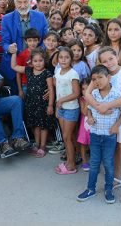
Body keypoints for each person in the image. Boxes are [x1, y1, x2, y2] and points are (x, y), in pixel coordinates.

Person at [84, 47, 121, 203]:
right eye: (104, 61)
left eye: (111, 59)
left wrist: (106, 106)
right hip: (104, 117)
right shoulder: (100, 76)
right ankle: (116, 177)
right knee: (112, 148)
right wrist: (97, 107)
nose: (108, 63)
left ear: (117, 57)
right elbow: (87, 94)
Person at [76, 65, 121, 204]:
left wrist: (117, 126)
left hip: (109, 136)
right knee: (94, 163)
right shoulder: (93, 94)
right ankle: (90, 189)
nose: (97, 81)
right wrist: (90, 117)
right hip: (95, 134)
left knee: (109, 164)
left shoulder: (117, 94)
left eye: (100, 77)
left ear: (109, 77)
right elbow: (89, 110)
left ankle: (108, 189)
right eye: (94, 79)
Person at [11, 48, 54, 158]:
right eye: (35, 61)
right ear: (31, 61)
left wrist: (50, 105)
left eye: (40, 60)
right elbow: (14, 66)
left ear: (45, 61)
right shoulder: (28, 70)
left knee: (43, 126)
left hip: (43, 105)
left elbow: (51, 90)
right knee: (35, 125)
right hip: (31, 104)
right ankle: (36, 144)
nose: (38, 63)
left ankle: (43, 146)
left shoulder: (47, 73)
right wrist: (14, 53)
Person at [0, 0, 48, 82]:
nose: (22, 6)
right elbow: (5, 42)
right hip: (14, 65)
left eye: (25, 2)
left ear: (30, 2)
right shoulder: (6, 19)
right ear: (15, 3)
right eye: (19, 2)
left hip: (37, 65)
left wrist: (36, 56)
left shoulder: (41, 17)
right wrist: (9, 48)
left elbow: (45, 40)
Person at [53, 47, 80, 175]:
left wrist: (61, 100)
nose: (63, 60)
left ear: (71, 59)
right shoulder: (58, 72)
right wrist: (58, 106)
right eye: (61, 57)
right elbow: (57, 90)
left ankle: (71, 165)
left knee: (67, 136)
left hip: (71, 109)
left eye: (66, 57)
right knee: (67, 137)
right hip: (62, 109)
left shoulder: (73, 74)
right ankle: (70, 160)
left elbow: (76, 93)